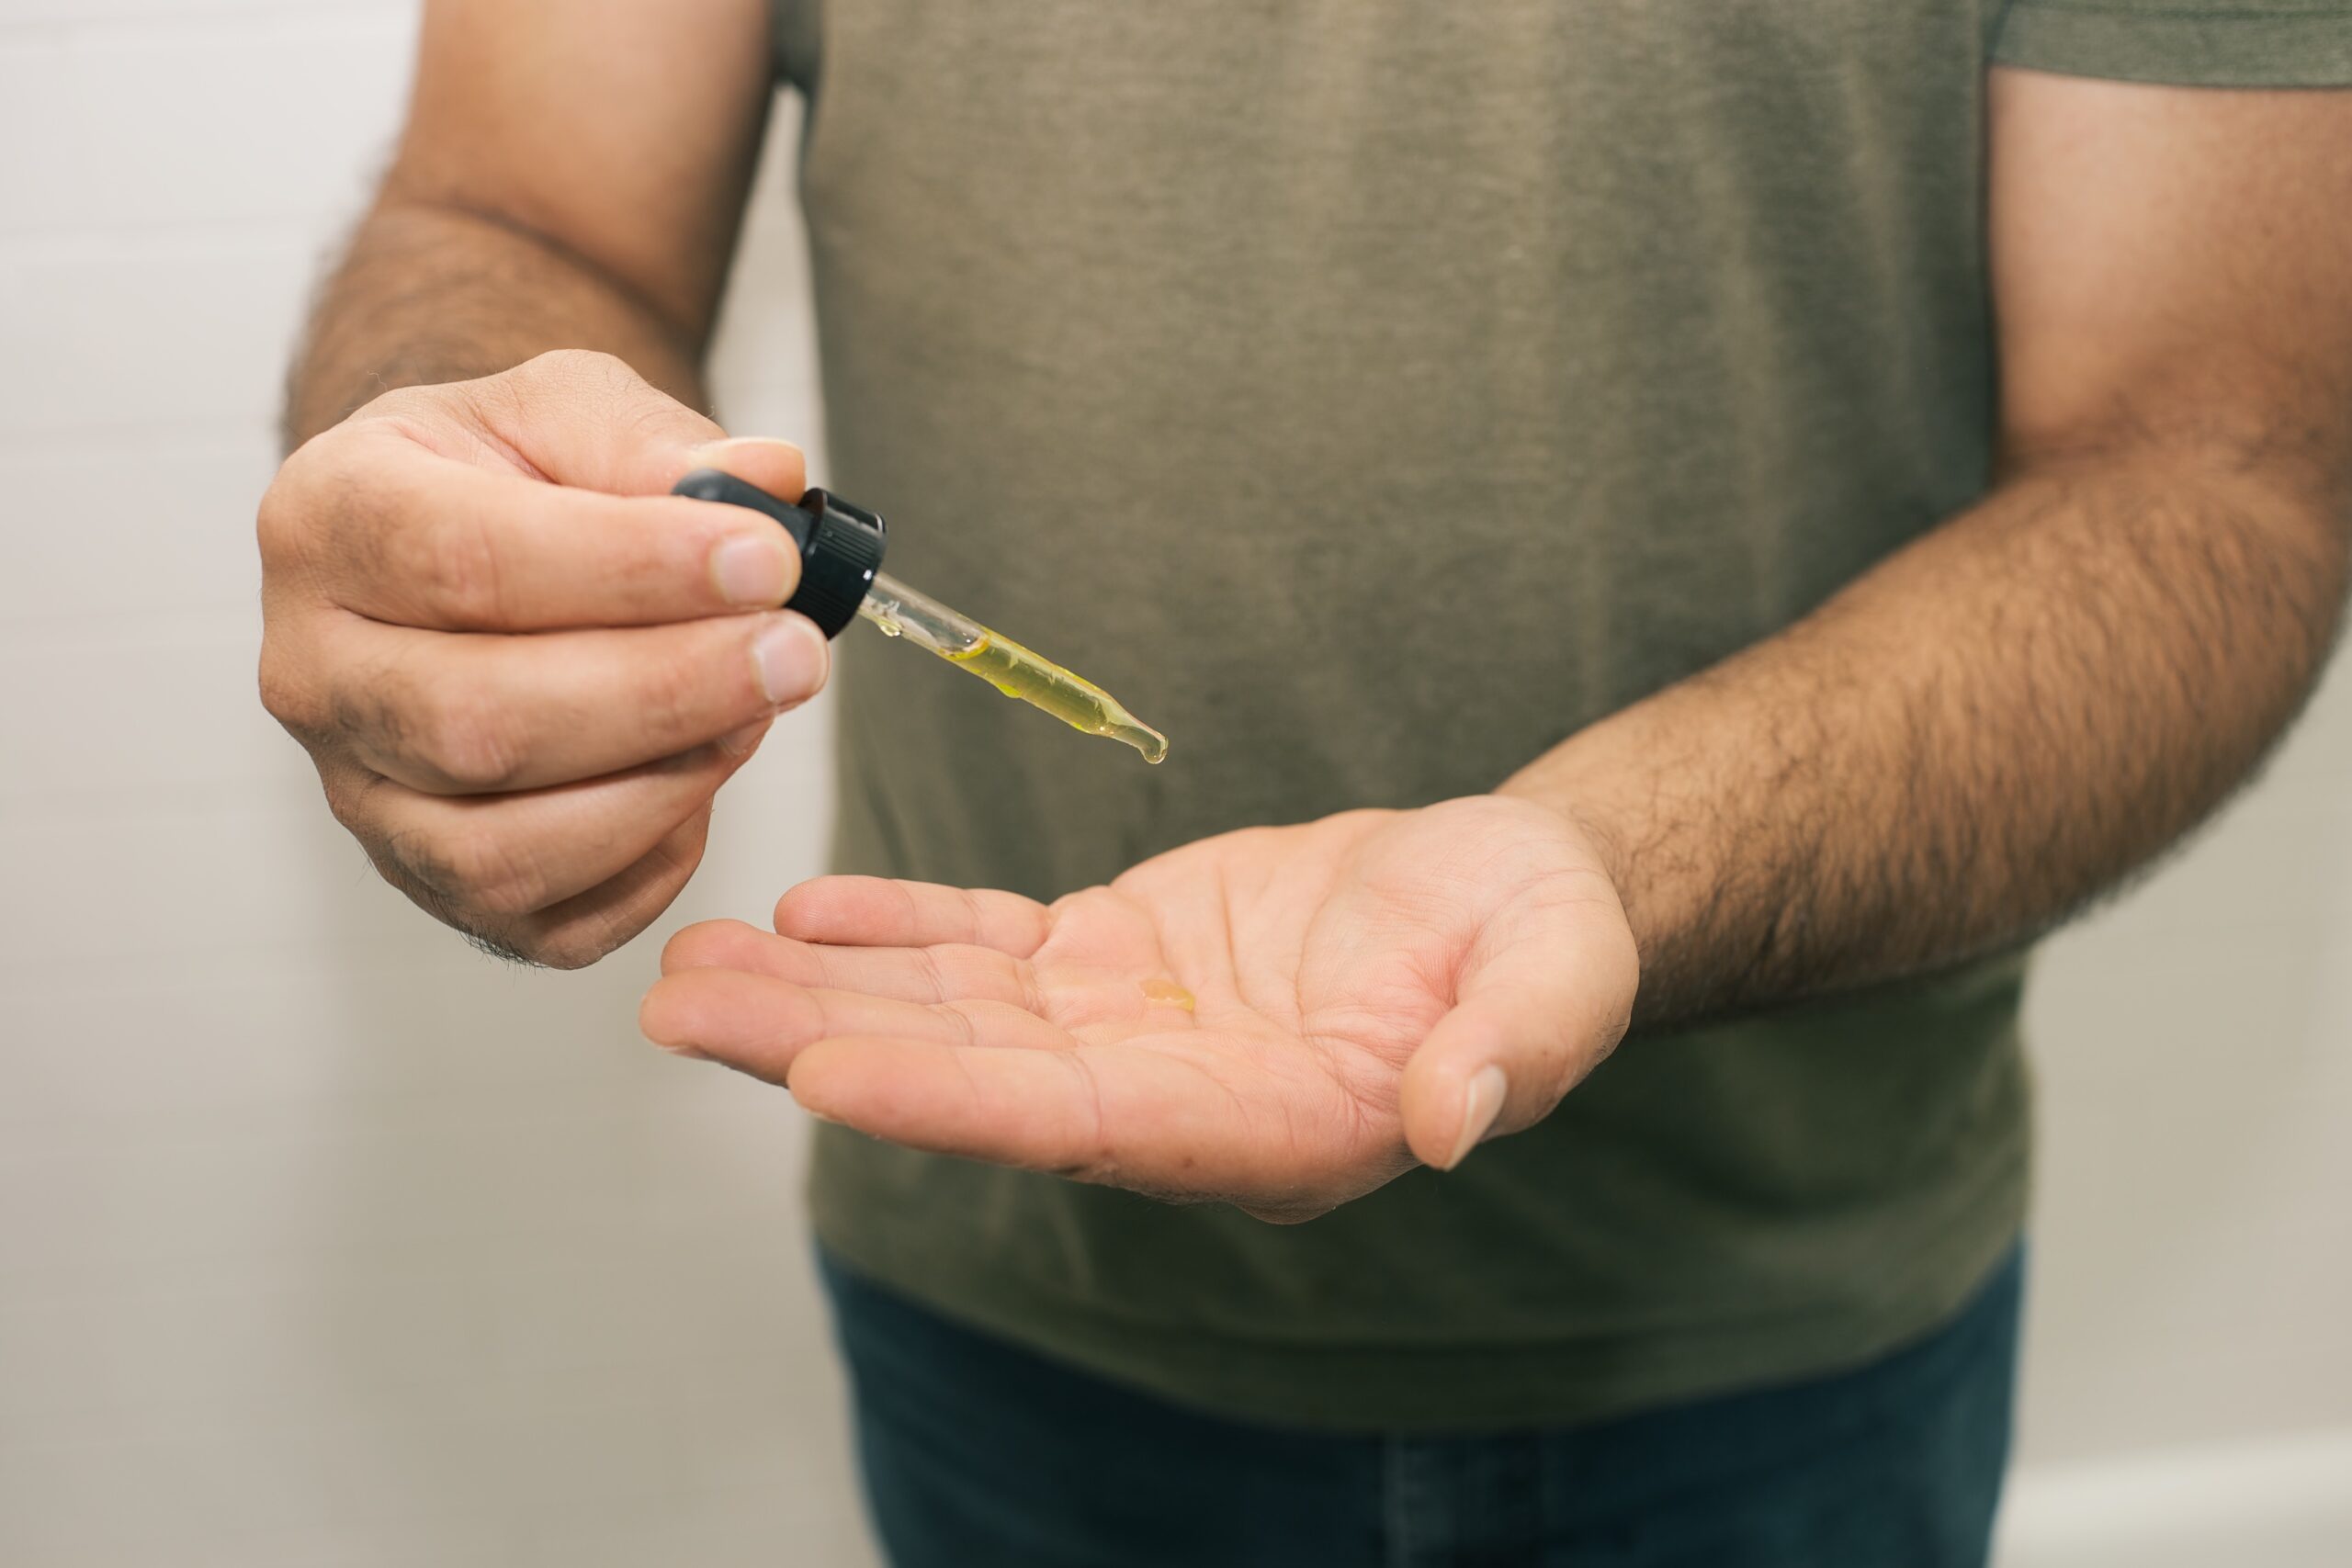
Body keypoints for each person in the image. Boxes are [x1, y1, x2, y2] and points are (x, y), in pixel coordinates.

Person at [257, 3, 2352, 1563]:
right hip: (1004, 1282)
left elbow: (2211, 465)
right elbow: (514, 206)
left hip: (1778, 1343)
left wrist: (1607, 864)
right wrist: (469, 498)